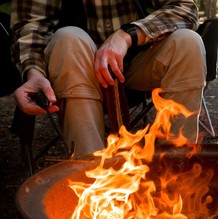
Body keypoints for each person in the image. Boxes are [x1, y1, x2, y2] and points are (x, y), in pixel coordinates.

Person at [10, 0, 206, 157]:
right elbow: (31, 26)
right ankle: (90, 178)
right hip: (77, 66)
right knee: (68, 38)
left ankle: (175, 174)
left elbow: (184, 8)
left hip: (139, 60)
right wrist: (34, 73)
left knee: (188, 42)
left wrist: (126, 35)